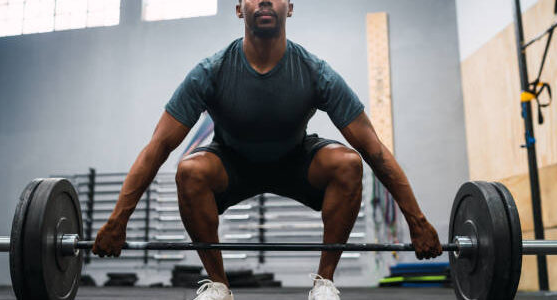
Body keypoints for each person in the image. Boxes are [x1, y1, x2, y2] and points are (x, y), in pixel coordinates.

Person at [92, 0, 443, 299]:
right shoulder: (210, 72)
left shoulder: (315, 72)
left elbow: (374, 150)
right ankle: (218, 285)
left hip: (295, 162)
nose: (263, 0)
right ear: (238, 9)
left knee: (348, 163)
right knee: (189, 170)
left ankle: (324, 283)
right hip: (231, 163)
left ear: (289, 8)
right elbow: (158, 147)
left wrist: (418, 222)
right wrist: (117, 221)